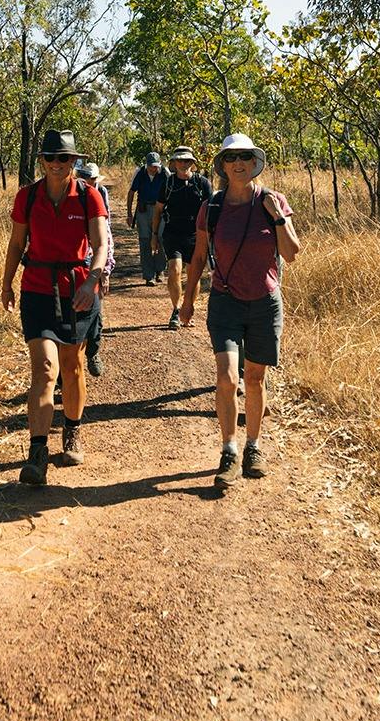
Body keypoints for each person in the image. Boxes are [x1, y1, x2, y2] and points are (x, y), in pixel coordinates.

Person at [180, 132, 299, 490]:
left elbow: (291, 253)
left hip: (264, 303)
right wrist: (187, 300)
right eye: (231, 158)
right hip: (225, 301)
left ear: (255, 163)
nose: (238, 163)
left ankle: (254, 446)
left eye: (245, 157)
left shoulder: (273, 201)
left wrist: (278, 218)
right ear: (223, 165)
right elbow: (199, 257)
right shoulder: (211, 207)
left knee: (255, 379)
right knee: (228, 378)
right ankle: (229, 451)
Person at [1, 130, 110, 487]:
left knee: (72, 367)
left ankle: (73, 432)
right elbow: (17, 243)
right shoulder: (27, 197)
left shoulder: (89, 197)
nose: (56, 163)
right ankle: (37, 454)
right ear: (42, 160)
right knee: (45, 368)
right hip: (37, 288)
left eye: (64, 158)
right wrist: (6, 283)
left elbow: (100, 243)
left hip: (77, 290)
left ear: (74, 161)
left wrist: (92, 280)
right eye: (50, 157)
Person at [157, 146, 212, 330]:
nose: (183, 164)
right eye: (179, 160)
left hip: (197, 235)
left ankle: (189, 306)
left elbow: (212, 211)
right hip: (173, 233)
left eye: (187, 160)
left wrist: (212, 237)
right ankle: (176, 309)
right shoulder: (168, 183)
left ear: (193, 163)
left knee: (193, 275)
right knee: (174, 269)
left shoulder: (202, 183)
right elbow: (158, 210)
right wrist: (154, 235)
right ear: (173, 163)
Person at [78, 162, 115, 378]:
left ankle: (93, 352)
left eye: (90, 178)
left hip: (93, 267)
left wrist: (105, 272)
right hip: (69, 270)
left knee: (94, 315)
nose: (86, 182)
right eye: (83, 177)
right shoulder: (65, 196)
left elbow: (105, 239)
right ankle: (64, 376)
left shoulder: (97, 196)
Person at [126, 151, 170, 284]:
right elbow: (131, 192)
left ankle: (160, 270)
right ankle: (148, 275)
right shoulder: (140, 172)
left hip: (161, 210)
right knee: (145, 241)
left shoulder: (165, 173)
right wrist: (129, 214)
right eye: (151, 166)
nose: (154, 169)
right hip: (143, 210)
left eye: (156, 166)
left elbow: (171, 192)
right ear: (147, 165)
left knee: (161, 239)